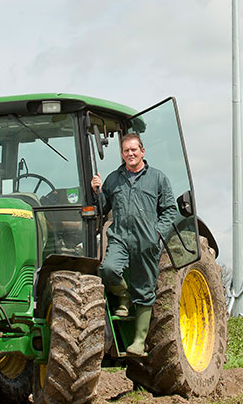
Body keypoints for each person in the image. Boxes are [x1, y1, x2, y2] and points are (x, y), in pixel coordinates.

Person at [91, 133, 177, 356]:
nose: (130, 154)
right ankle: (123, 296)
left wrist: (157, 233)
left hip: (146, 239)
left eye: (133, 150)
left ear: (142, 151)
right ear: (122, 154)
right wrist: (97, 191)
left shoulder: (158, 178)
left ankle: (139, 341)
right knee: (108, 269)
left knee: (145, 287)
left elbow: (170, 209)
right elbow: (102, 207)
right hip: (120, 235)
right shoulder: (113, 179)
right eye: (126, 151)